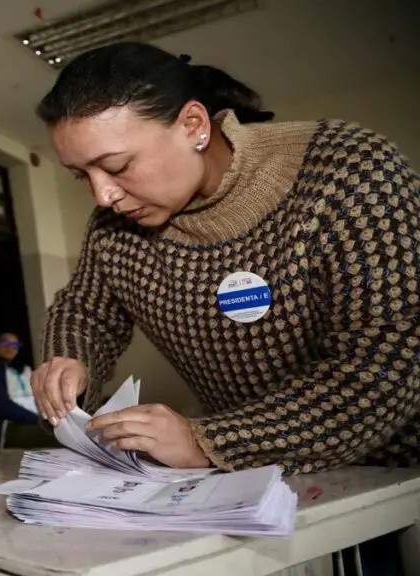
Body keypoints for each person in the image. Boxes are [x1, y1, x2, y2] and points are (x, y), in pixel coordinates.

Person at [29, 42, 419, 476]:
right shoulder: (115, 227)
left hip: (396, 470)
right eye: (82, 176)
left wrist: (210, 441)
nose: (103, 195)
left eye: (118, 166)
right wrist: (69, 361)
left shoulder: (348, 173)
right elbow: (86, 311)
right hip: (255, 474)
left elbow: (386, 367)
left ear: (193, 125)